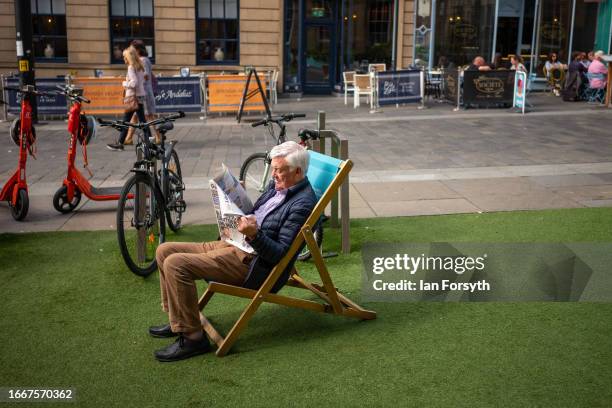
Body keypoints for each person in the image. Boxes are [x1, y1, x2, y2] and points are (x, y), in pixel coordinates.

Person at [150, 141, 317, 362]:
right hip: (236, 243)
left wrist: (255, 235)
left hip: (251, 263)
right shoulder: (279, 186)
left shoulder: (302, 204)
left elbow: (280, 256)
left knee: (175, 264)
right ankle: (178, 320)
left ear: (297, 171)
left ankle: (193, 338)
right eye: (273, 168)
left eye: (279, 170)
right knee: (164, 250)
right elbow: (256, 213)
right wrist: (235, 196)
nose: (273, 174)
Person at [107, 46, 150, 151]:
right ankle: (150, 140)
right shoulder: (139, 66)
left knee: (126, 120)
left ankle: (120, 143)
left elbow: (134, 82)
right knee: (142, 121)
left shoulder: (131, 67)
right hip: (139, 96)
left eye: (125, 57)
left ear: (129, 57)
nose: (123, 59)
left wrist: (125, 83)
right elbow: (143, 80)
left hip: (132, 97)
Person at [124, 40, 159, 145]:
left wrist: (132, 81)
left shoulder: (143, 60)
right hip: (140, 92)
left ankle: (158, 136)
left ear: (138, 50)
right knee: (136, 116)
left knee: (149, 116)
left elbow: (146, 75)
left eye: (132, 49)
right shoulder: (141, 60)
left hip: (143, 92)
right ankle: (128, 138)